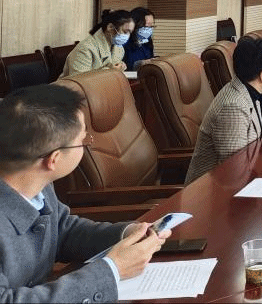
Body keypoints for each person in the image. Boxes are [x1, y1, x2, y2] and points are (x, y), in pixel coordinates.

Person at [0, 85, 170, 302]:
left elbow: (62, 231)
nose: (86, 143)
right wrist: (112, 270)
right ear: (54, 159)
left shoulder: (36, 181)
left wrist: (125, 234)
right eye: (82, 140)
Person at [185, 38, 262, 184]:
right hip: (212, 191)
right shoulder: (233, 107)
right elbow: (234, 172)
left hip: (239, 182)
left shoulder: (248, 91)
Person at [61, 9, 134, 78]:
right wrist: (110, 71)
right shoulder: (85, 48)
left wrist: (121, 67)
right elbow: (79, 80)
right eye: (125, 31)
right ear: (110, 27)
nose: (127, 36)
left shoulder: (119, 49)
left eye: (129, 33)